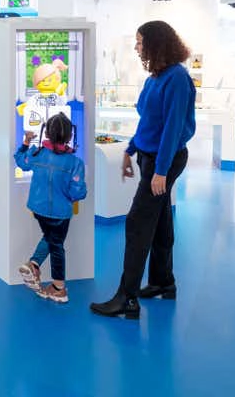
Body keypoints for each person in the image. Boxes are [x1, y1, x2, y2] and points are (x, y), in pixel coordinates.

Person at [90, 21, 196, 320]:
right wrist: (130, 148)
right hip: (149, 156)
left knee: (137, 222)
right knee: (159, 219)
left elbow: (173, 128)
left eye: (139, 42)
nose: (136, 48)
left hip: (165, 159)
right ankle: (163, 282)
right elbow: (149, 122)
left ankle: (127, 298)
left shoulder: (177, 77)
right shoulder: (155, 78)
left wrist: (160, 171)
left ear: (155, 43)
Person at [15, 113, 87, 304]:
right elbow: (79, 192)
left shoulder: (37, 154)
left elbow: (20, 161)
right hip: (60, 213)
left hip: (38, 209)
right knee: (56, 246)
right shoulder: (75, 163)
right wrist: (69, 196)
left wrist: (25, 142)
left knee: (51, 238)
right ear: (70, 136)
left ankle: (34, 265)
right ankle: (59, 288)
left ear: (46, 132)